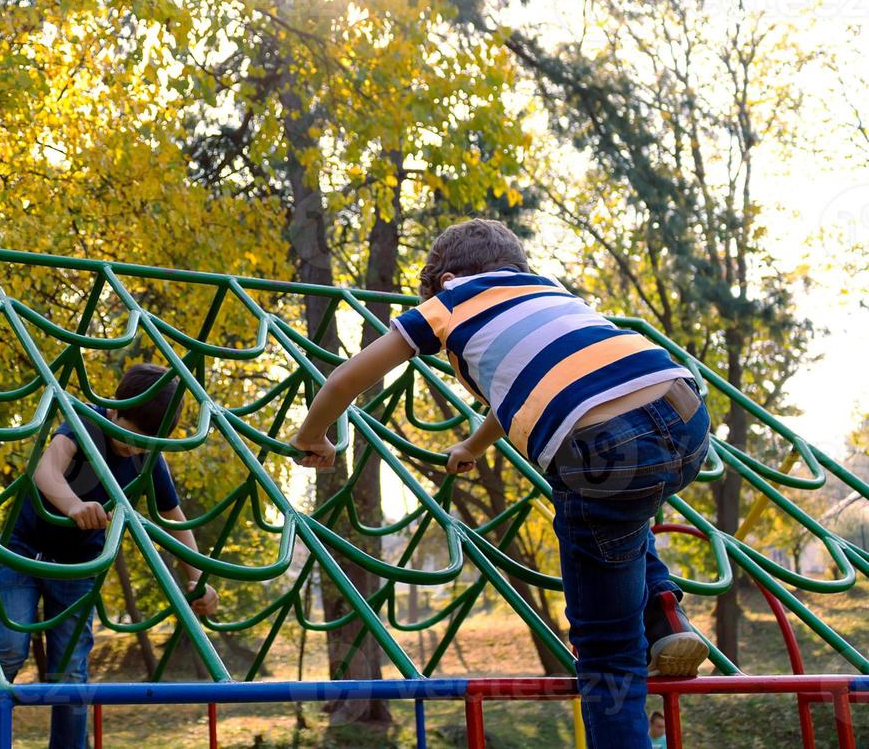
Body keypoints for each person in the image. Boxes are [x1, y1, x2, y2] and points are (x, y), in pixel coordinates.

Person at [288, 218, 710, 749]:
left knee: (607, 653)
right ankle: (664, 610)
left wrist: (314, 435)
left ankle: (637, 665)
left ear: (444, 278)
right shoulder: (548, 290)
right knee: (625, 512)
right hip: (680, 408)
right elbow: (530, 386)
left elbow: (349, 376)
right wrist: (473, 445)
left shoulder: (445, 305)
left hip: (598, 446)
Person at [0, 363, 219, 749]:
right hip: (24, 553)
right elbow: (46, 468)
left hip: (78, 568)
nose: (135, 448)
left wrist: (197, 578)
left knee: (70, 673)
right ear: (115, 411)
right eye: (132, 437)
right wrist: (72, 505)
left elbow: (173, 518)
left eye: (146, 443)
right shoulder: (86, 422)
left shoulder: (147, 456)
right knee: (8, 647)